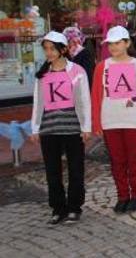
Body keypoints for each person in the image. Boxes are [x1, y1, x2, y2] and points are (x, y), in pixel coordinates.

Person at [30, 31, 91, 225]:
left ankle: (74, 207)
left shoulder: (77, 71)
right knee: (52, 171)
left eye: (52, 48)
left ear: (63, 49)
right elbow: (37, 102)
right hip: (49, 129)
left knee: (75, 169)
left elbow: (84, 100)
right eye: (46, 49)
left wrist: (86, 126)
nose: (48, 52)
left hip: (72, 128)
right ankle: (58, 208)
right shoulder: (42, 74)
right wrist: (35, 128)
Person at [91, 26, 136, 214]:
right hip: (110, 120)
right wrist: (96, 122)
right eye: (110, 43)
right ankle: (122, 196)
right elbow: (96, 96)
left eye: (117, 43)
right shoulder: (102, 67)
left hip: (133, 120)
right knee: (117, 161)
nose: (113, 47)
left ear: (127, 43)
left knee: (134, 160)